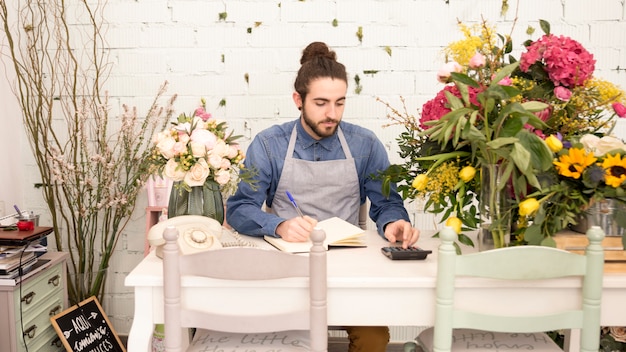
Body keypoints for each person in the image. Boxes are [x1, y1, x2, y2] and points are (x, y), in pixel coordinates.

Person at [226, 41, 420, 352]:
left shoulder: (365, 145)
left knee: (374, 339)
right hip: (286, 271)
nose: (332, 114)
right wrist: (279, 226)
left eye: (340, 103)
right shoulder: (268, 145)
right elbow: (240, 208)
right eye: (320, 103)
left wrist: (394, 223)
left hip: (349, 269)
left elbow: (387, 203)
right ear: (298, 100)